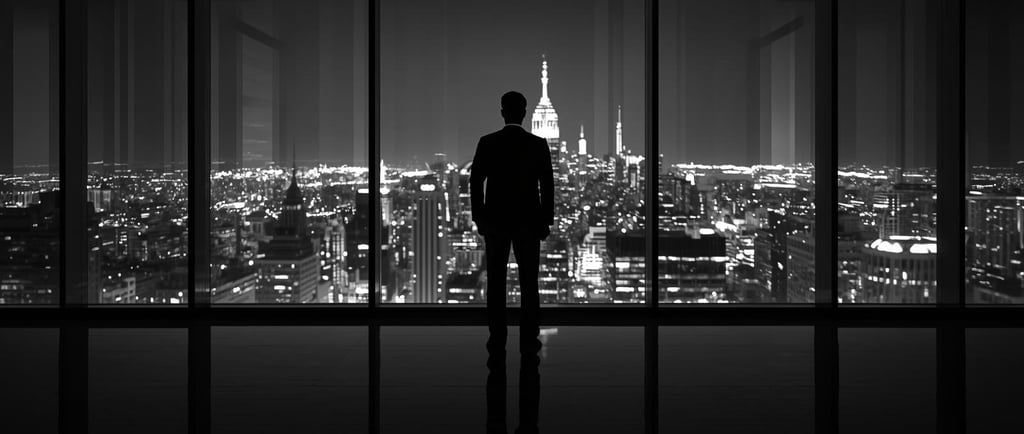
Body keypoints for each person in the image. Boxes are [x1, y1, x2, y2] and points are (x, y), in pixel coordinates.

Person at [471, 90, 554, 360]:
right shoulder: (538, 144)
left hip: (495, 223)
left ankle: (497, 336)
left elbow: (474, 182)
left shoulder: (487, 142)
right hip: (528, 223)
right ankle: (530, 335)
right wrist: (545, 221)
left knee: (496, 282)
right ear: (525, 113)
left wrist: (479, 218)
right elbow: (547, 187)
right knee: (529, 282)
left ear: (503, 112)